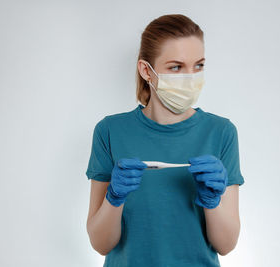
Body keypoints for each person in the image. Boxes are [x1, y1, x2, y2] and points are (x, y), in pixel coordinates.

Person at [85, 14, 245, 267]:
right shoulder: (110, 131)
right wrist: (113, 198)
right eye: (176, 67)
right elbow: (101, 244)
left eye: (199, 65)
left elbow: (226, 245)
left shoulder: (221, 132)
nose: (191, 77)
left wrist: (212, 203)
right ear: (146, 70)